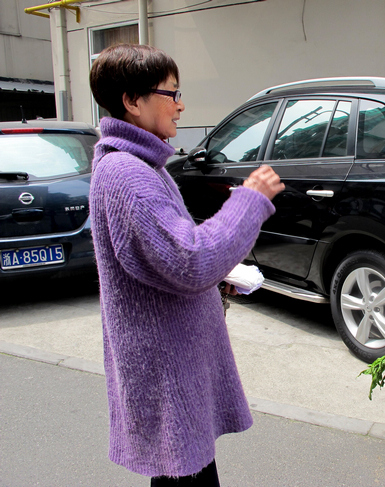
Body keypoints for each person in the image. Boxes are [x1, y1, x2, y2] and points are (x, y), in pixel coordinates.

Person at [88, 44, 284, 486]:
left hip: (169, 370)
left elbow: (166, 262)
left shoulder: (139, 165)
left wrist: (218, 280)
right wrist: (250, 200)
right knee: (184, 476)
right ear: (132, 102)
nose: (181, 105)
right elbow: (190, 258)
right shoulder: (127, 173)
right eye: (170, 93)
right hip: (166, 375)